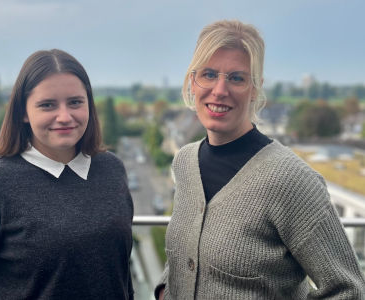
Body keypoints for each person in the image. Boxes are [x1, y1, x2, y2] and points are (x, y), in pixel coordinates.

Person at [155, 20, 365, 299]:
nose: (219, 90)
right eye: (208, 74)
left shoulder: (291, 180)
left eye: (237, 78)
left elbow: (349, 289)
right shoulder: (185, 162)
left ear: (255, 88)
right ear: (193, 81)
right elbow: (186, 255)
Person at [0, 49, 134, 300]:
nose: (65, 116)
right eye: (48, 105)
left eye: (75, 102)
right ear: (23, 112)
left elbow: (121, 275)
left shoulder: (112, 169)